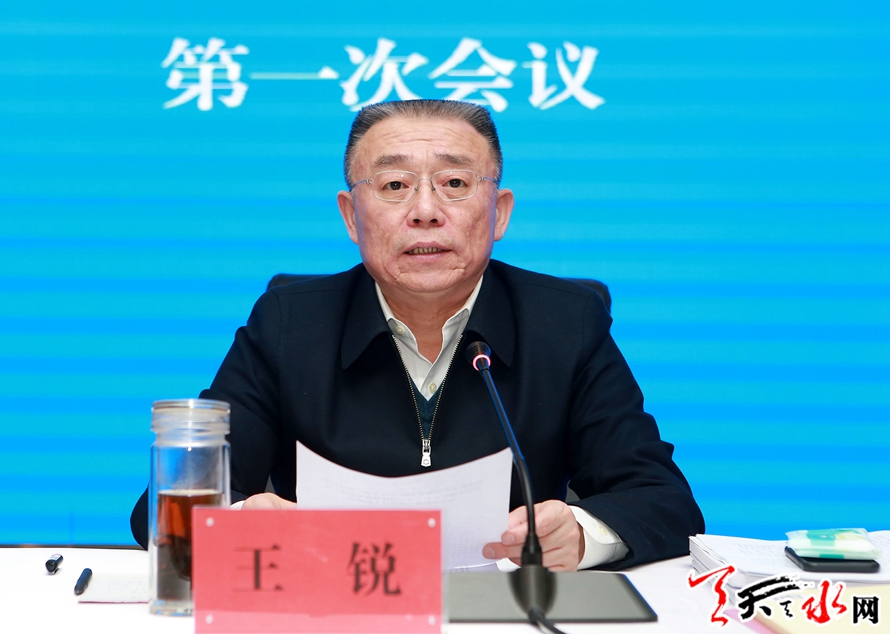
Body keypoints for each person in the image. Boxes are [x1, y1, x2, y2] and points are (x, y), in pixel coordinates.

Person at [131, 99, 704, 571]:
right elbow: (162, 513)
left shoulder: (565, 322)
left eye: (454, 182)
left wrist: (579, 533)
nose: (425, 210)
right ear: (351, 216)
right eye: (394, 184)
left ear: (500, 212)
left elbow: (664, 501)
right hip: (331, 610)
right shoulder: (287, 324)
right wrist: (239, 526)